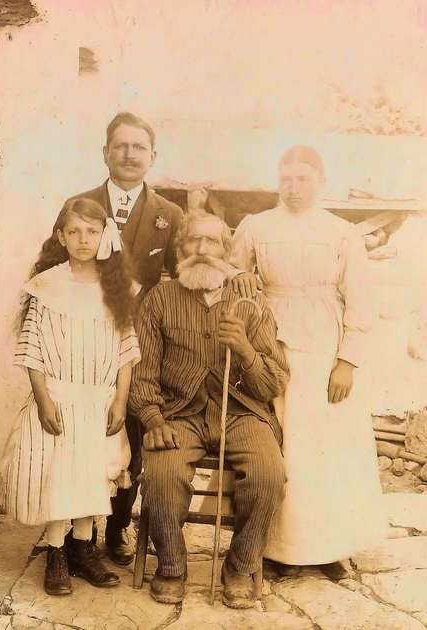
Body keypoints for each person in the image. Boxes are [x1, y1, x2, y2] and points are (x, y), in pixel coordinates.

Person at [230, 145, 387, 579]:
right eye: (286, 179)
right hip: (271, 346)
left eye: (303, 179)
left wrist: (348, 361)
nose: (294, 188)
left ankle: (330, 548)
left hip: (324, 348)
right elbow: (233, 278)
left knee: (327, 448)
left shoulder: (341, 233)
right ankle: (280, 548)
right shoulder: (256, 226)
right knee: (284, 446)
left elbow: (361, 299)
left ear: (320, 181)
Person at [129, 211, 289, 608]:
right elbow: (142, 372)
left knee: (269, 474)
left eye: (211, 242)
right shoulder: (160, 299)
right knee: (162, 474)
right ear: (179, 249)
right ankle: (171, 565)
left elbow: (275, 381)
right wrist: (152, 418)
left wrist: (246, 351)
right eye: (192, 242)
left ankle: (240, 564)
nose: (202, 250)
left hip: (242, 411)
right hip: (178, 413)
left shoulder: (250, 302)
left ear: (227, 249)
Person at [4, 198, 140, 595]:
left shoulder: (117, 289)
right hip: (60, 400)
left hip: (99, 400)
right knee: (60, 476)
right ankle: (57, 552)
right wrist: (44, 400)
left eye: (92, 232)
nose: (83, 239)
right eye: (75, 231)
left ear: (104, 237)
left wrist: (119, 399)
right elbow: (32, 350)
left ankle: (84, 547)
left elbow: (126, 351)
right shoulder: (47, 286)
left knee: (92, 474)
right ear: (61, 236)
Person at [67, 112, 184, 565]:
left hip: (142, 346)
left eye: (139, 147)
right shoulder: (79, 205)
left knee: (130, 437)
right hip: (85, 339)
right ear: (105, 152)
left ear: (152, 157)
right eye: (121, 146)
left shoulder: (169, 215)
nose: (130, 154)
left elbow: (180, 279)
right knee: (81, 433)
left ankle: (115, 528)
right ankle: (77, 534)